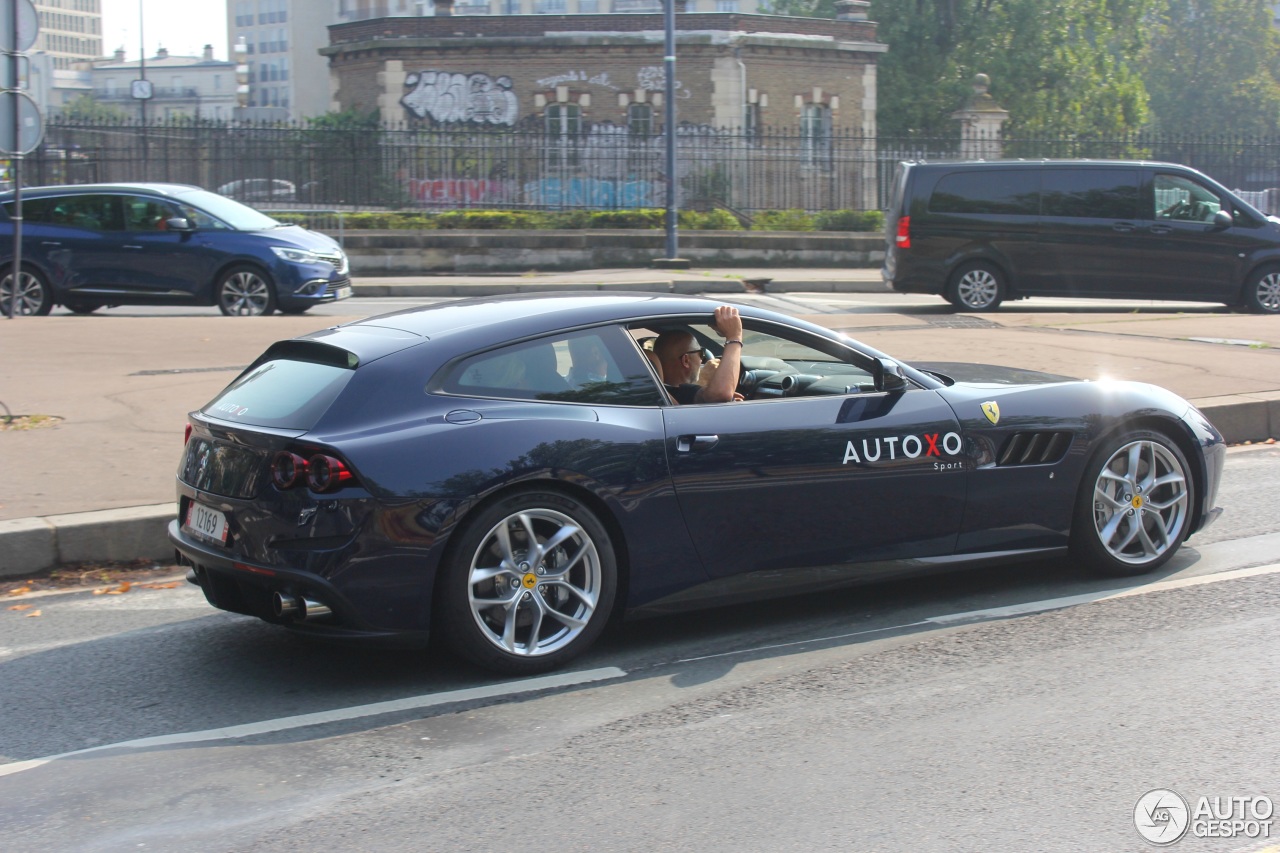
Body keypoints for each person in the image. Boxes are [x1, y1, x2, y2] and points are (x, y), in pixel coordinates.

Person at [653, 305, 744, 404]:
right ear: (686, 360)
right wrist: (734, 336)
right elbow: (720, 394)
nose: (702, 360)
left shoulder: (651, 392)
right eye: (701, 354)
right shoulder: (684, 392)